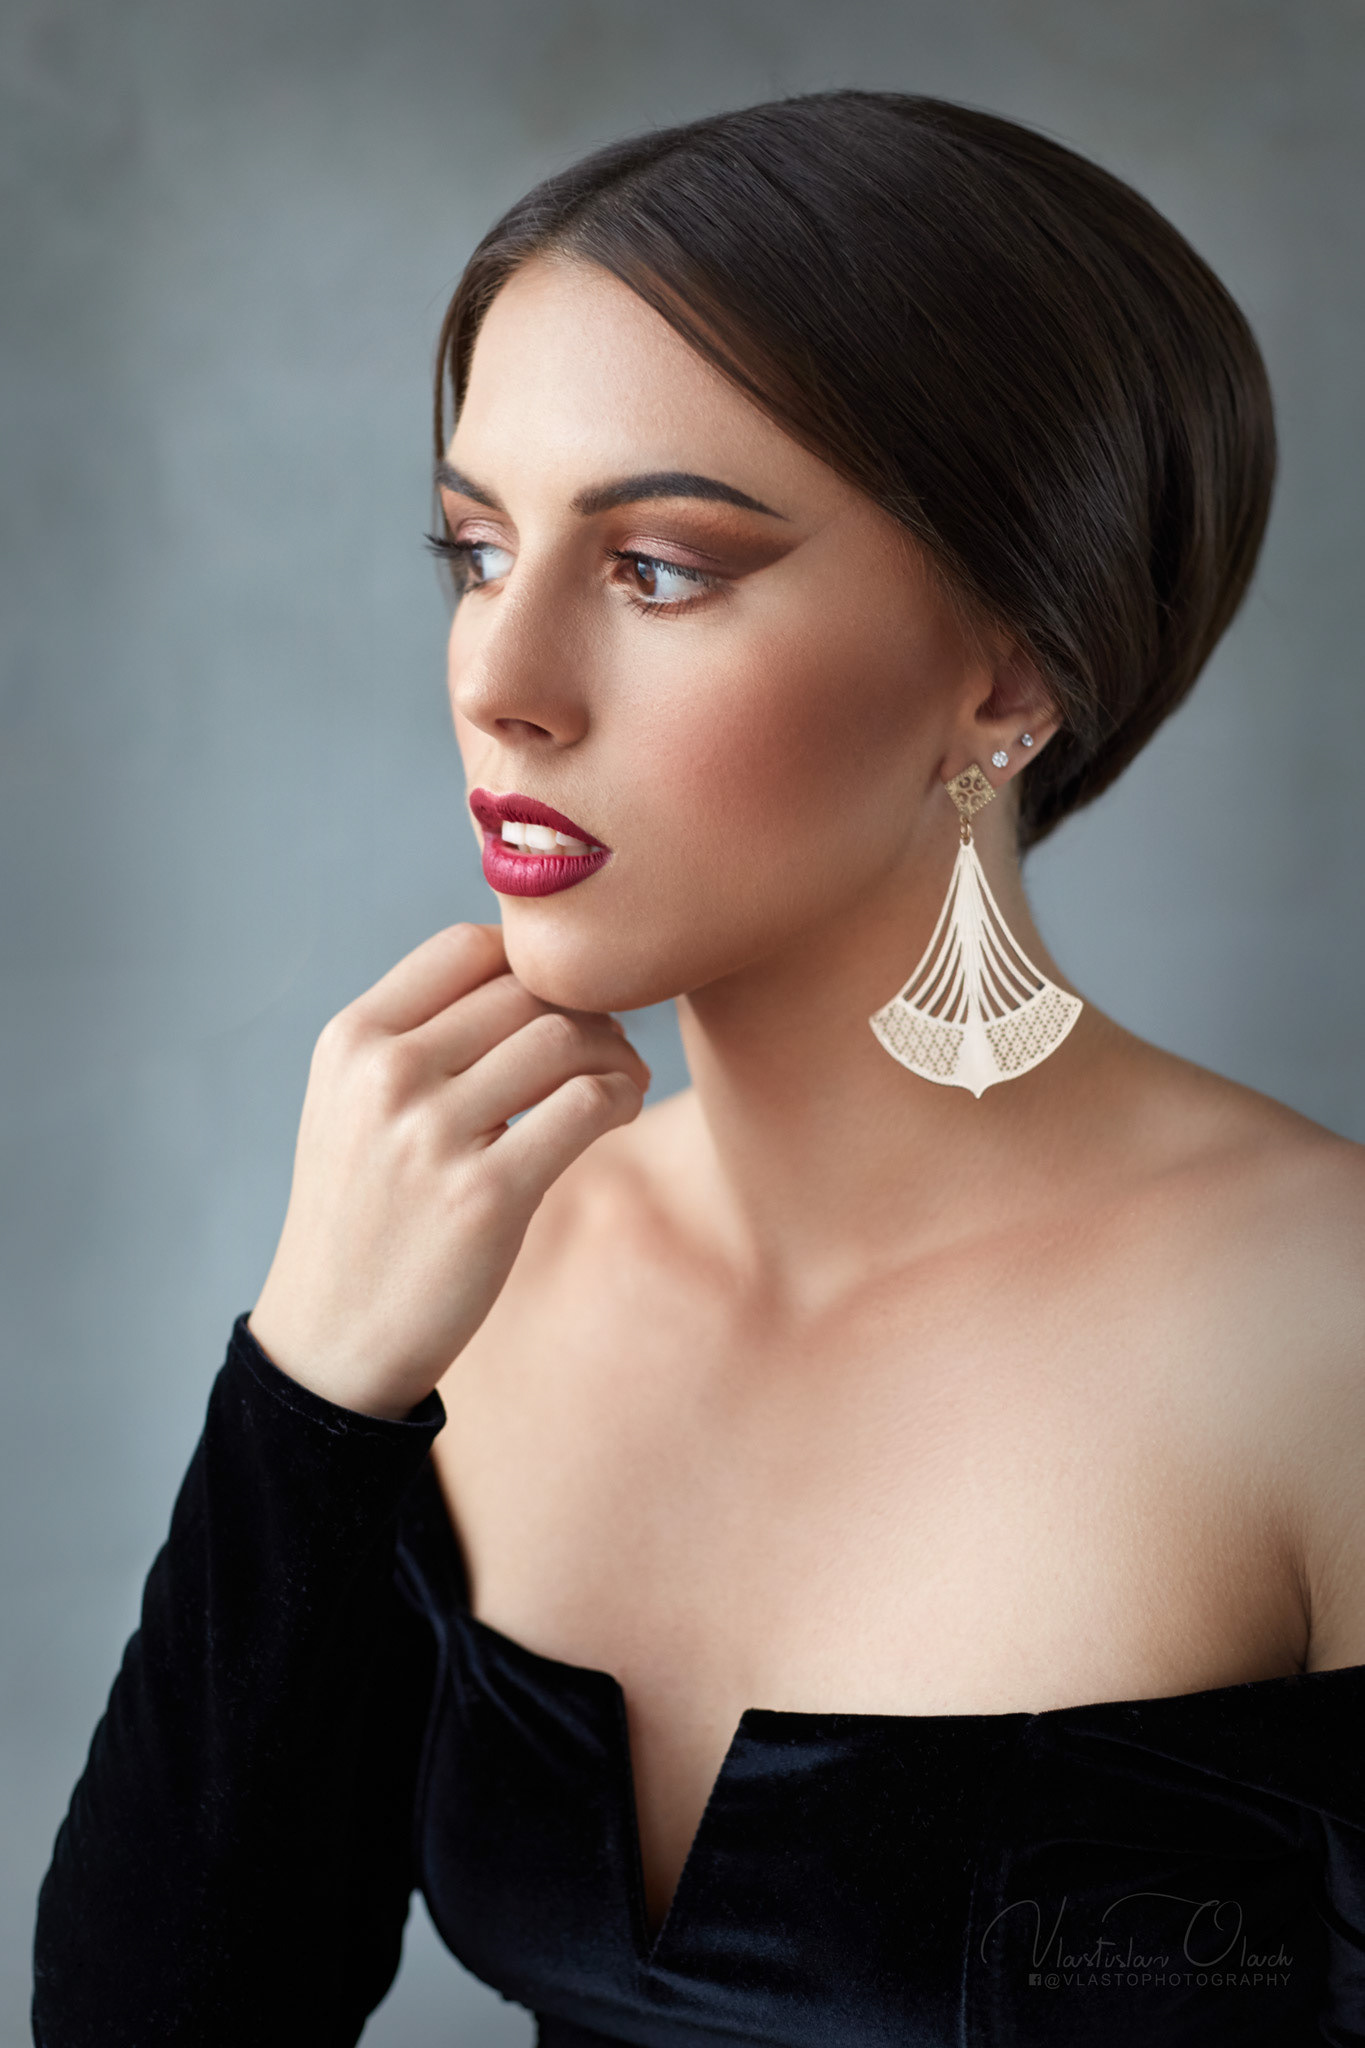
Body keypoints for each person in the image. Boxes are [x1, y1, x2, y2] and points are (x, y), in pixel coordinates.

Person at [33, 90, 1365, 2047]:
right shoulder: (477, 1269)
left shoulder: (1325, 1339)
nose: (497, 681)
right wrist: (312, 1384)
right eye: (474, 551)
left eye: (656, 567)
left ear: (1004, 672)